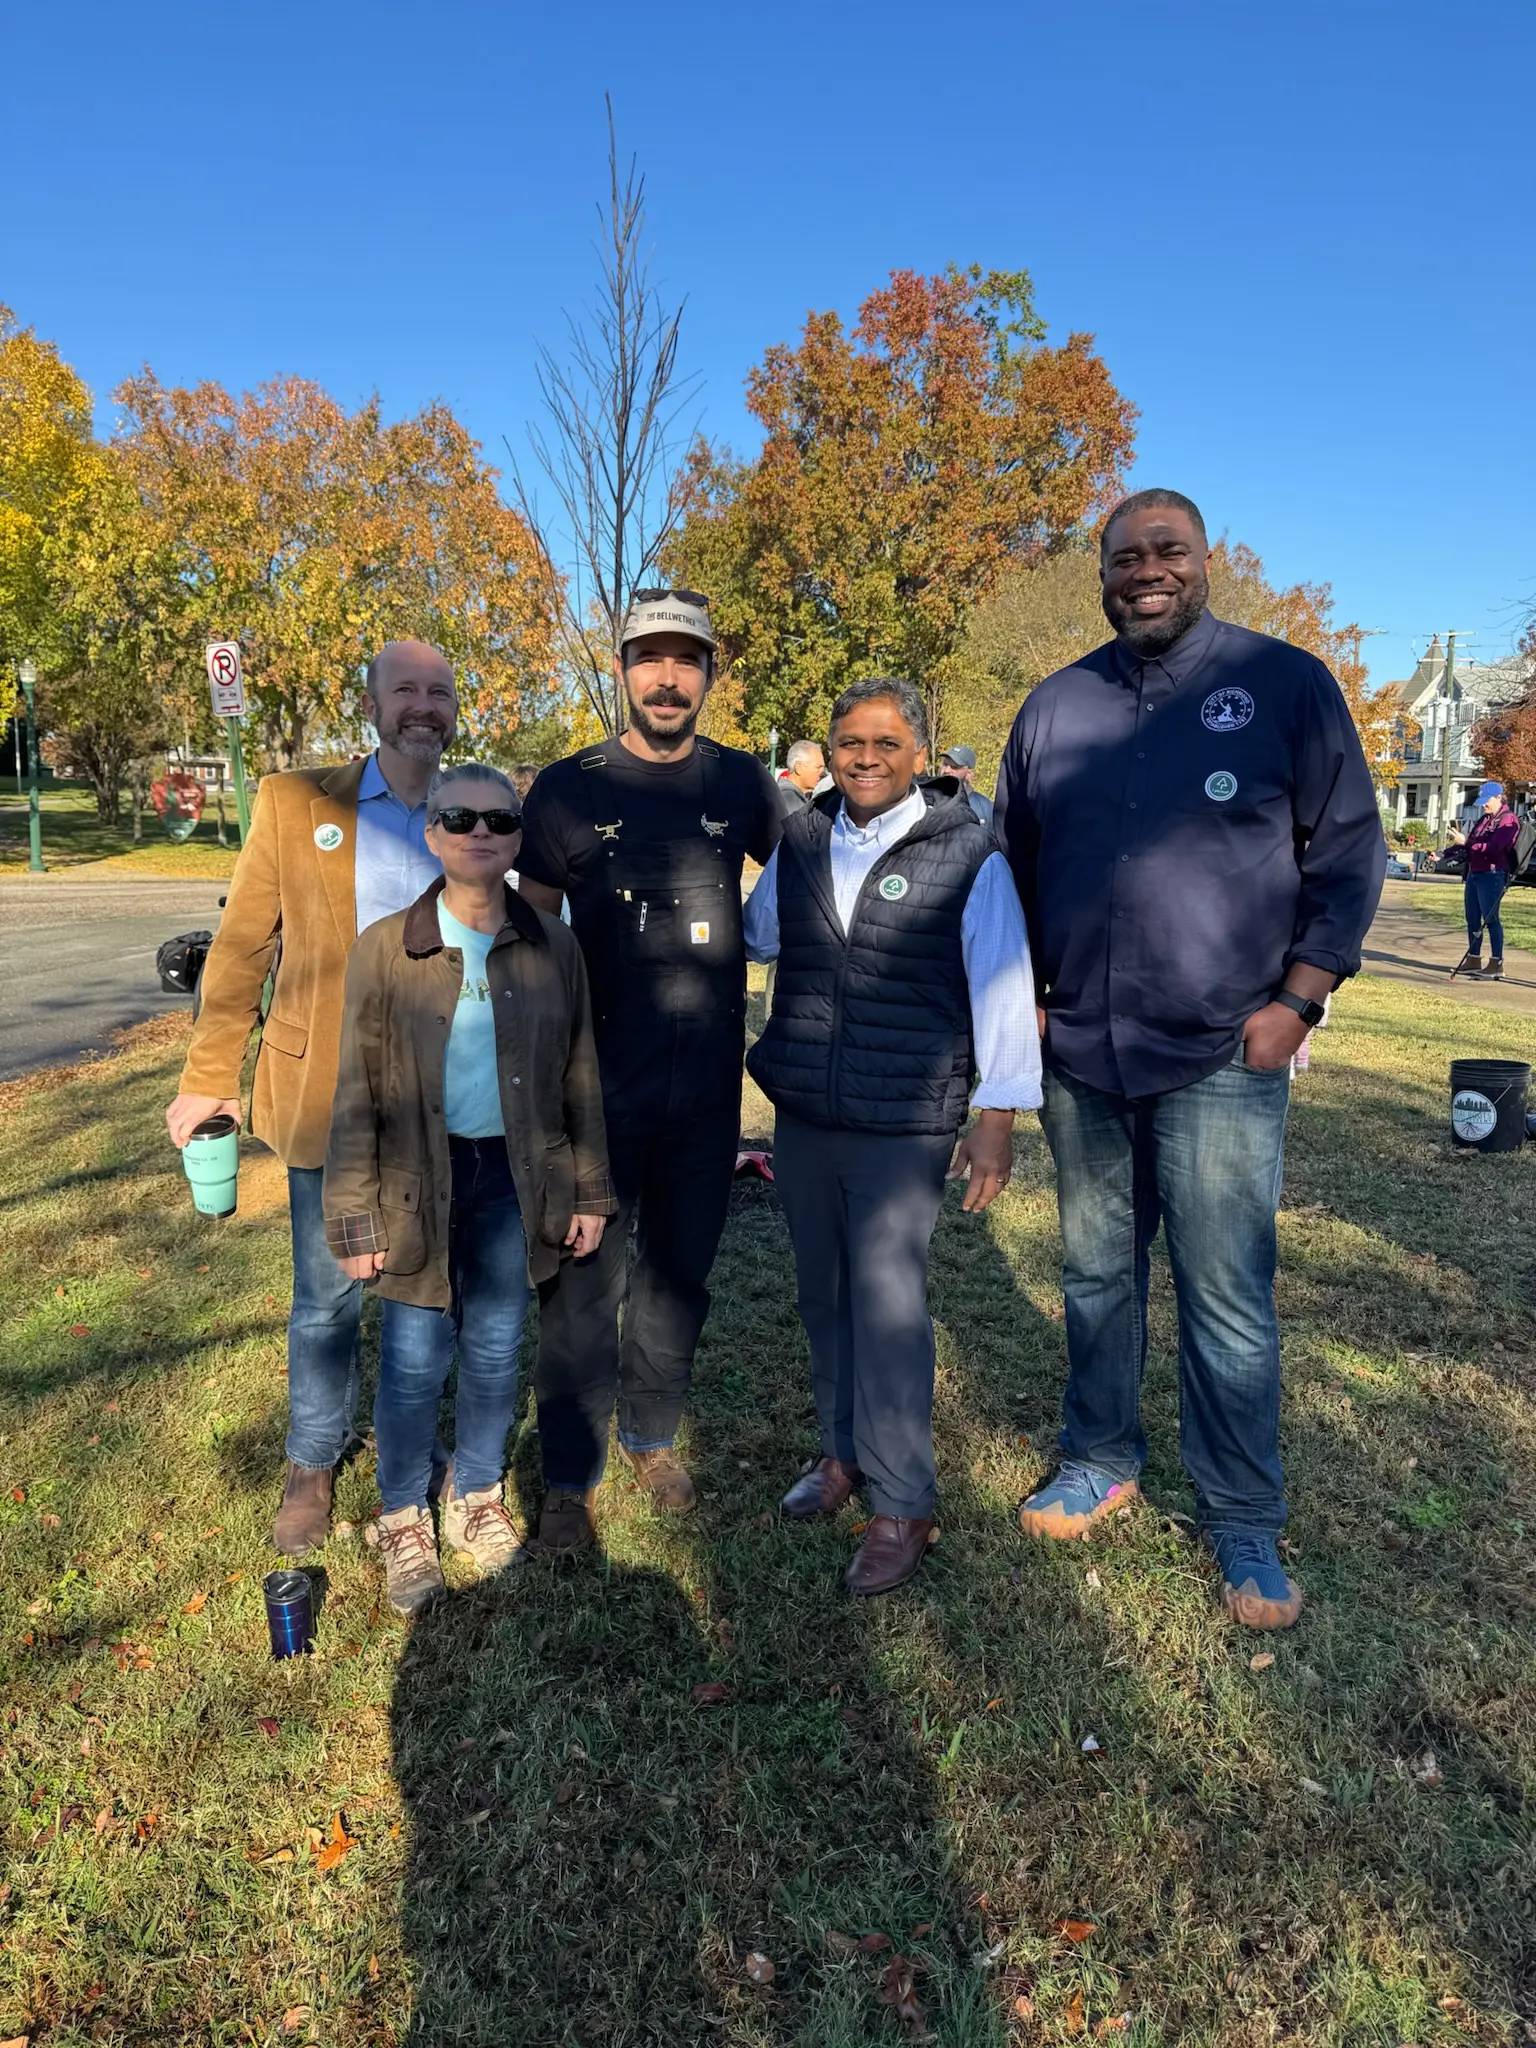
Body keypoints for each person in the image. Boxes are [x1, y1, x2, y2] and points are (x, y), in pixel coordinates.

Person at [995, 488, 1384, 1631]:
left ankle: (1242, 1511)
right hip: (1083, 1049)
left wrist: (1300, 997)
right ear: (1101, 573)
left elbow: (1349, 847)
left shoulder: (1285, 683)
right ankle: (1100, 1452)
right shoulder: (1058, 706)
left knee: (1225, 1293)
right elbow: (1008, 879)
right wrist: (1024, 1019)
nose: (1146, 569)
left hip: (1225, 1048)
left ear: (1205, 561)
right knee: (1097, 1274)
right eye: (1126, 556)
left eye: (1168, 550)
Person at [744, 678, 1041, 1594]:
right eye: (848, 741)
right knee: (824, 1298)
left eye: (885, 742)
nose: (864, 757)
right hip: (807, 1113)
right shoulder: (799, 840)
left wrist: (998, 1117)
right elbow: (759, 937)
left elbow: (1001, 982)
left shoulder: (968, 853)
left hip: (903, 1123)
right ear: (827, 751)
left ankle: (904, 1499)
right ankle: (842, 1456)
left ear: (920, 753)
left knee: (887, 1308)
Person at [166, 641, 458, 1555]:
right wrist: (211, 1073)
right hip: (325, 1091)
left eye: (438, 692)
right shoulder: (298, 802)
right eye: (404, 688)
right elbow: (243, 947)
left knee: (424, 1287)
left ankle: (415, 1443)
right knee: (325, 1297)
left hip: (445, 1093)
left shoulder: (476, 811)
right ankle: (312, 1458)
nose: (423, 705)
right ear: (371, 704)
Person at [514, 588, 782, 1546]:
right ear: (620, 669)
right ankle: (569, 1475)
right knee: (584, 1284)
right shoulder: (567, 788)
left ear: (710, 673)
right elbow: (530, 938)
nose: (667, 678)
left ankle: (653, 1433)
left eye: (687, 660)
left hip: (707, 1088)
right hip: (594, 1089)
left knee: (678, 1272)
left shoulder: (744, 784)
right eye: (649, 659)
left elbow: (816, 879)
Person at [323, 763, 612, 1613]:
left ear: (520, 838)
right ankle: (402, 1512)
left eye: (498, 819)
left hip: (516, 1181)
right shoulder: (386, 948)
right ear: (432, 833)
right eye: (459, 817)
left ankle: (476, 1494)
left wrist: (588, 1192)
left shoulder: (553, 944)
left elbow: (580, 1074)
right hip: (417, 1181)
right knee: (414, 1361)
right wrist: (353, 1215)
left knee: (493, 1351)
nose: (479, 832)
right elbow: (355, 1092)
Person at [1453, 782, 1520, 981]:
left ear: (1499, 798)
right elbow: (1469, 844)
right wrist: (1443, 854)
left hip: (1493, 875)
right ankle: (1474, 959)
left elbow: (1495, 848)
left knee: (1490, 919)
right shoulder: (1484, 819)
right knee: (1472, 918)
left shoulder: (1509, 820)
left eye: (1487, 801)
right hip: (1475, 873)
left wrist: (1467, 843)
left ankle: (1496, 963)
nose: (1483, 806)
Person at [937, 743, 994, 829]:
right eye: (945, 764)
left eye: (954, 767)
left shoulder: (986, 808)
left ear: (969, 774)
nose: (946, 770)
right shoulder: (929, 802)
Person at [777, 740, 826, 818]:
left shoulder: (781, 794)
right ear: (798, 768)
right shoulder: (788, 798)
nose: (823, 773)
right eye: (818, 767)